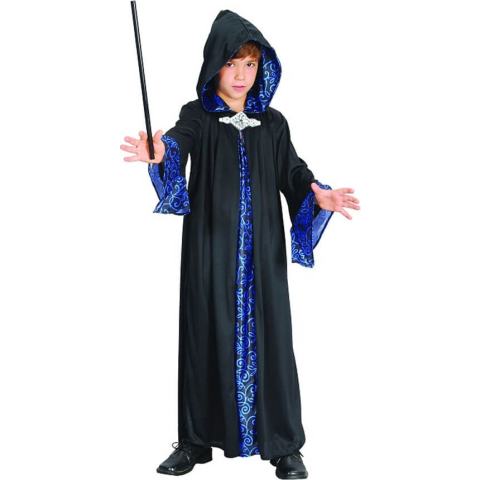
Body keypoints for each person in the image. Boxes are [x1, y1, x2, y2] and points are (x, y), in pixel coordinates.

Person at [121, 9, 360, 479]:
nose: (240, 75)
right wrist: (162, 152)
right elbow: (178, 142)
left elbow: (293, 172)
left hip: (263, 257)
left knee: (273, 342)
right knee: (203, 334)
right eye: (231, 63)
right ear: (215, 65)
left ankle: (284, 446)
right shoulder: (198, 116)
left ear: (261, 68)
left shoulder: (273, 123)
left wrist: (318, 194)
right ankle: (194, 441)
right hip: (210, 251)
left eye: (250, 64)